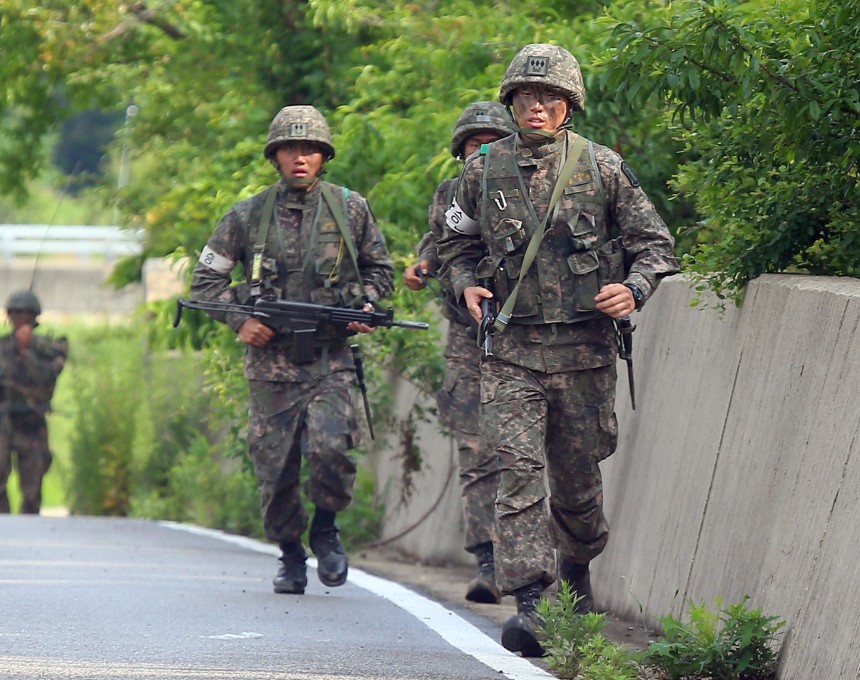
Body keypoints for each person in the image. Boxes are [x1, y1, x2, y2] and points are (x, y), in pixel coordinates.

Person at [437, 44, 680, 656]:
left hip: (584, 352)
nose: (537, 107)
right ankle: (533, 602)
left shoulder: (602, 168)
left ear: (569, 105)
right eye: (525, 97)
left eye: (549, 98)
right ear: (510, 102)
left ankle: (576, 567)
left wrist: (633, 288)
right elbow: (453, 247)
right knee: (517, 474)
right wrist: (465, 284)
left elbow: (656, 245)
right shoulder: (480, 171)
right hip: (511, 349)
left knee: (577, 486)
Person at [190, 105, 395, 595]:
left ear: (323, 156)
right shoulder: (247, 215)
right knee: (274, 468)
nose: (299, 158)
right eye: (290, 149)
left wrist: (364, 307)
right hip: (270, 367)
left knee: (330, 447)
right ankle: (289, 555)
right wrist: (242, 320)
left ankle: (325, 527)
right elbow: (204, 282)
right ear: (275, 156)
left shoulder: (351, 209)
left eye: (309, 149)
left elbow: (381, 274)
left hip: (331, 360)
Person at [403, 101, 516, 604]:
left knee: (527, 455)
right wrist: (422, 265)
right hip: (467, 341)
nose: (484, 153)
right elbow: (440, 241)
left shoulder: (531, 188)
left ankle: (539, 565)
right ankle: (488, 561)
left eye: (493, 143)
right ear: (460, 152)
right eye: (475, 145)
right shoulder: (452, 196)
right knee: (475, 451)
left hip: (525, 338)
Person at [0, 289, 69, 514]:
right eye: (15, 313)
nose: (20, 319)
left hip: (32, 423)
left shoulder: (49, 349)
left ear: (34, 317)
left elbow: (48, 375)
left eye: (25, 314)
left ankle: (27, 532)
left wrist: (26, 351)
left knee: (32, 486)